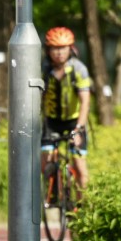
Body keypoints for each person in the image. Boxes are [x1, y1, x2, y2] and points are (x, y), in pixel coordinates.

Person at [41, 26, 92, 190]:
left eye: (63, 48)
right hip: (51, 121)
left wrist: (79, 128)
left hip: (74, 121)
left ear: (71, 48)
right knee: (46, 162)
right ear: (48, 50)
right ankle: (55, 192)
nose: (59, 52)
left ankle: (81, 207)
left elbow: (85, 101)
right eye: (54, 48)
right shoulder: (44, 70)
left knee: (79, 166)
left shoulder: (79, 69)